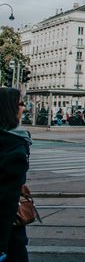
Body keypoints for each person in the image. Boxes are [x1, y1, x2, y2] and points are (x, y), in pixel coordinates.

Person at [0, 88, 32, 262]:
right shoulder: (15, 148)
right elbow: (7, 201)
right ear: (9, 108)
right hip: (8, 235)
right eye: (20, 104)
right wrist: (2, 246)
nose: (24, 108)